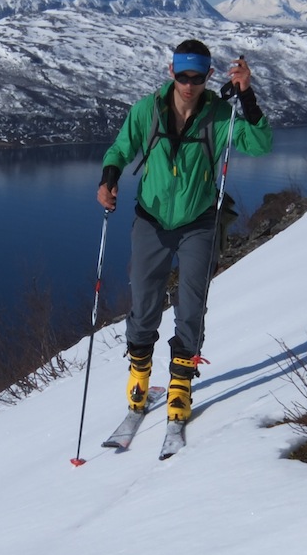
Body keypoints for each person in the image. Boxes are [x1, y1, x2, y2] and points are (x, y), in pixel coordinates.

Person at [97, 39, 273, 435]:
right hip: (152, 220)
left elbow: (261, 145)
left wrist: (247, 95)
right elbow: (120, 149)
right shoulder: (147, 111)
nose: (189, 85)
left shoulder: (220, 114)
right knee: (144, 301)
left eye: (197, 77)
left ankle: (180, 384)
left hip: (199, 222)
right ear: (171, 72)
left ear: (209, 76)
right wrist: (109, 178)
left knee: (191, 305)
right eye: (183, 76)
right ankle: (139, 375)